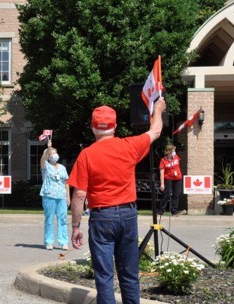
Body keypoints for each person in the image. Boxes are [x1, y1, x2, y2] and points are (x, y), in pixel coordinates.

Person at [68, 98, 166, 304]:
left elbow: (79, 195)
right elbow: (156, 131)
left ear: (93, 127)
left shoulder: (86, 155)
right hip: (128, 214)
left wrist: (76, 226)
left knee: (104, 276)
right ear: (114, 126)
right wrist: (158, 109)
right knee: (129, 273)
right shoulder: (129, 146)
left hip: (102, 217)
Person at [39, 140, 70, 250]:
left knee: (63, 219)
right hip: (49, 195)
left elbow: (66, 182)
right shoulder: (46, 165)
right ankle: (49, 241)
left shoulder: (62, 167)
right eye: (52, 153)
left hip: (61, 196)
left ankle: (64, 241)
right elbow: (42, 159)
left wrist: (68, 197)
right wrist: (48, 149)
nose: (54, 155)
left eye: (55, 152)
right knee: (49, 219)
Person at [158, 144, 184, 216]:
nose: (174, 152)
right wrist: (162, 184)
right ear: (169, 152)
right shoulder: (163, 160)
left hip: (178, 178)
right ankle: (161, 211)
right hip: (168, 179)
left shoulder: (176, 157)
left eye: (174, 150)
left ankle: (174, 211)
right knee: (166, 194)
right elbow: (162, 173)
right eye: (173, 151)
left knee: (176, 194)